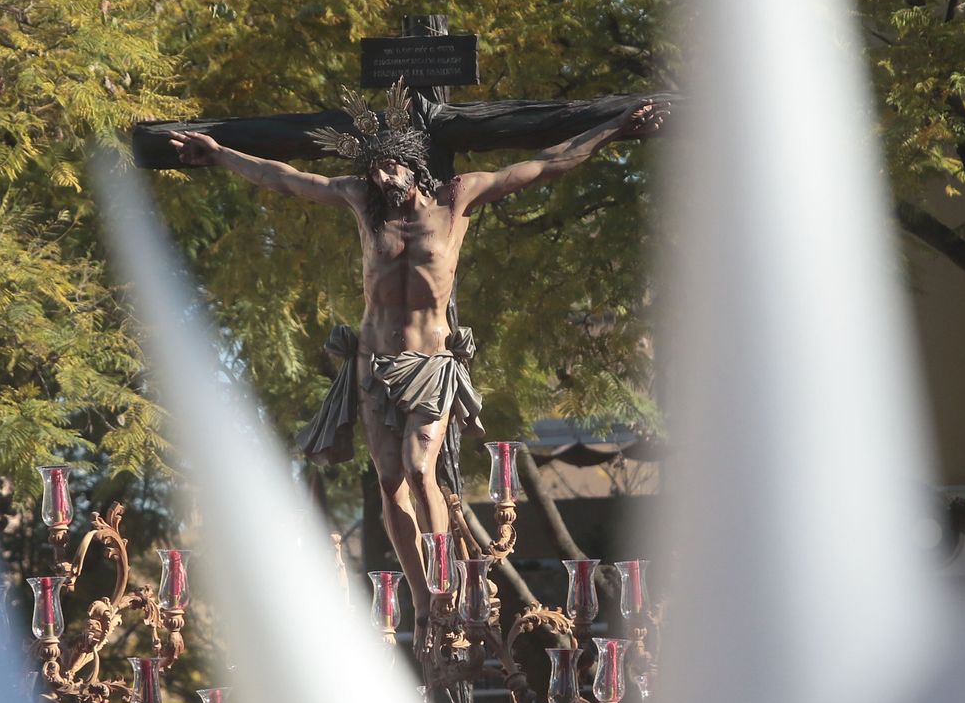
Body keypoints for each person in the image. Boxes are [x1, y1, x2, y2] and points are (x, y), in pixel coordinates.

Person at [170, 83, 665, 633]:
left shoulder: (458, 199)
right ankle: (425, 598)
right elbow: (288, 179)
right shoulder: (364, 204)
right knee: (388, 482)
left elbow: (544, 165)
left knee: (418, 465)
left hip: (430, 366)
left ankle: (447, 581)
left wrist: (612, 129)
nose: (381, 179)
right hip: (372, 364)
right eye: (375, 170)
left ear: (414, 167)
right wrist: (220, 154)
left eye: (391, 169)